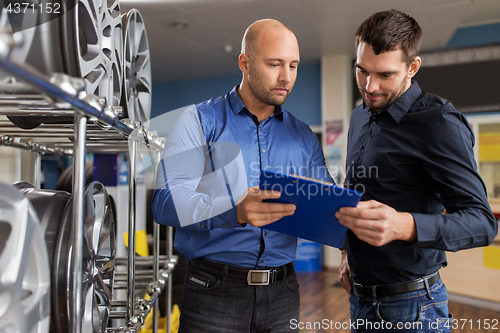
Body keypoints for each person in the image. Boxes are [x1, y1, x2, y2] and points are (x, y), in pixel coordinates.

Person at [151, 19, 333, 333]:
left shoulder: (303, 136)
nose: (286, 77)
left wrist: (346, 236)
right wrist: (233, 209)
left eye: (293, 65)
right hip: (213, 293)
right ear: (244, 63)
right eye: (275, 64)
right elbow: (165, 202)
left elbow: (326, 203)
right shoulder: (198, 121)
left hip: (284, 293)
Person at [335, 9, 498, 333]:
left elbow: (482, 223)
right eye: (362, 71)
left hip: (413, 308)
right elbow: (363, 197)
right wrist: (346, 253)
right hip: (359, 299)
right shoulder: (359, 117)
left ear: (412, 67)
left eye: (385, 75)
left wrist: (404, 225)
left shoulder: (439, 122)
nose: (370, 86)